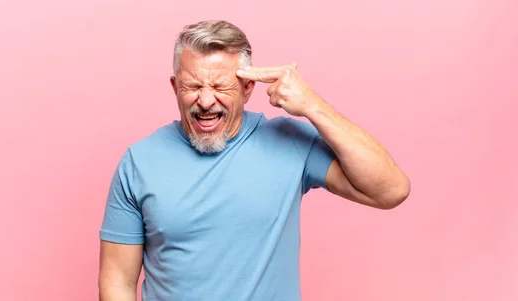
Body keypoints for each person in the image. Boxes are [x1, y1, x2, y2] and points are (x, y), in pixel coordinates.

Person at [98, 20, 411, 301]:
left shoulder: (288, 142)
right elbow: (117, 283)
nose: (205, 101)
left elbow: (390, 189)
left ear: (247, 88)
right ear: (175, 86)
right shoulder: (139, 162)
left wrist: (313, 106)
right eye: (192, 86)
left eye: (221, 86)